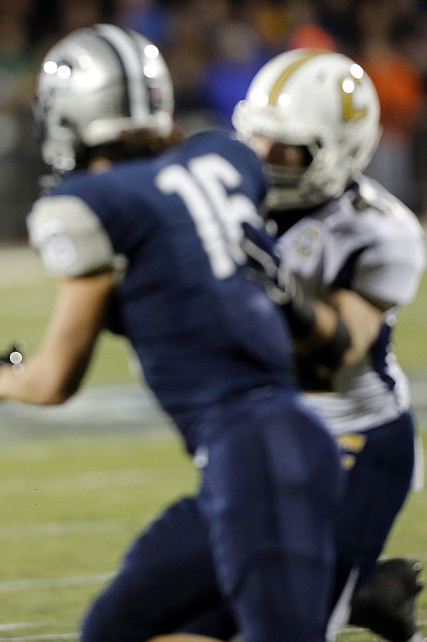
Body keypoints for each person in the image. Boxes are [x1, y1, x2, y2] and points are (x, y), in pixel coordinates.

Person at [0, 24, 343, 642]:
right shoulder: (224, 158)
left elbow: (53, 381)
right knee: (117, 628)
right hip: (268, 450)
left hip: (253, 453)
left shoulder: (92, 202)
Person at [232, 47, 425, 641]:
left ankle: (354, 588)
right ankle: (367, 593)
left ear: (338, 148)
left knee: (293, 625)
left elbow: (339, 349)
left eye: (285, 146)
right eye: (258, 139)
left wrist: (280, 293)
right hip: (266, 429)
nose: (265, 158)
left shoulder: (379, 227)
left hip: (355, 437)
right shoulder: (236, 203)